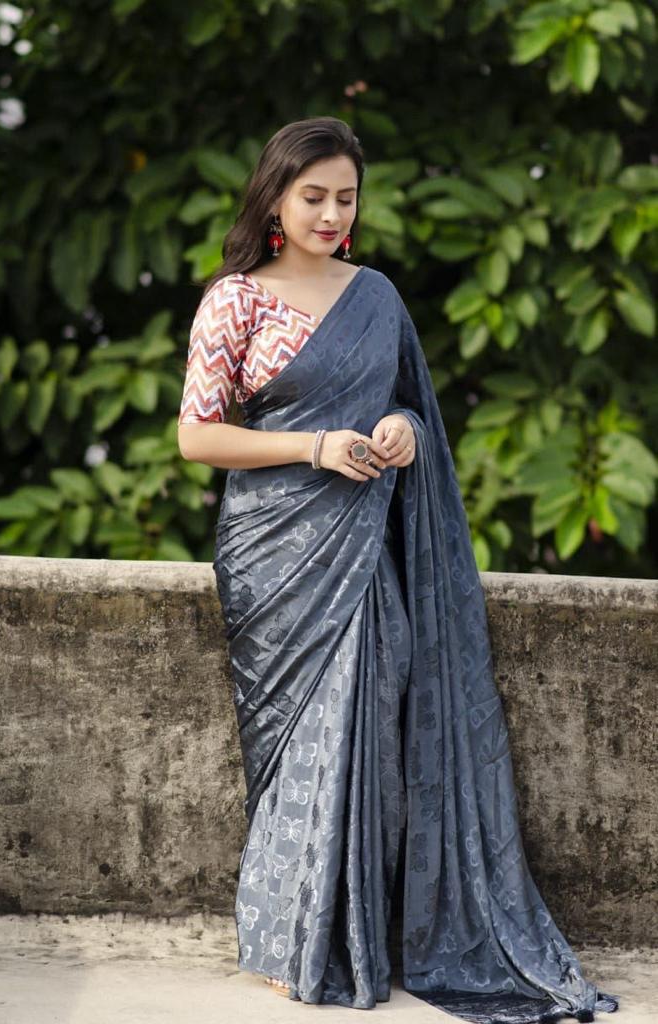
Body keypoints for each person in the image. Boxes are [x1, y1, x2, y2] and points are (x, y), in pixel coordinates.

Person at [177, 116, 619, 1022]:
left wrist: (400, 432)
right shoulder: (236, 301)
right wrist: (316, 445)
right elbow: (197, 437)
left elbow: (414, 408)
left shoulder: (376, 294)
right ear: (274, 197)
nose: (333, 213)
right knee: (295, 745)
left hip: (363, 544)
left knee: (373, 723)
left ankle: (356, 932)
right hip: (274, 555)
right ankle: (283, 937)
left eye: (346, 197)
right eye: (314, 196)